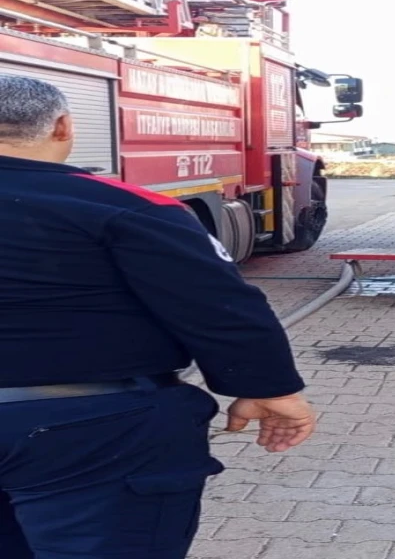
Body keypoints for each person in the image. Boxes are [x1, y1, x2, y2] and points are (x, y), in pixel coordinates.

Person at [0, 74, 316, 558]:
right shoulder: (125, 207)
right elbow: (218, 307)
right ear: (63, 126)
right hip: (91, 433)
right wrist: (270, 388)